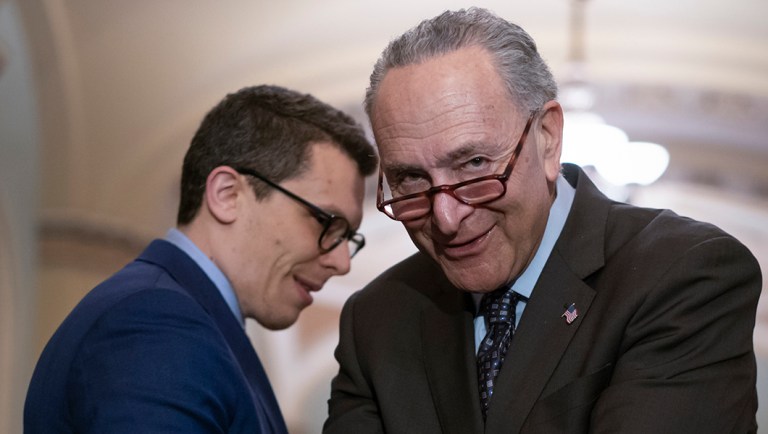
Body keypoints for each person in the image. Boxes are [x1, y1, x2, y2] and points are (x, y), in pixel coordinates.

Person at [324, 7, 762, 433]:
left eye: (475, 163)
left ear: (548, 139)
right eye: (410, 179)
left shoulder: (684, 274)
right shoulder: (377, 320)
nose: (446, 217)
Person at [24, 84, 377, 433]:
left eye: (347, 238)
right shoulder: (154, 325)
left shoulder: (181, 320)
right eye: (327, 223)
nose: (342, 262)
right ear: (227, 195)